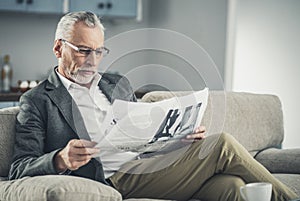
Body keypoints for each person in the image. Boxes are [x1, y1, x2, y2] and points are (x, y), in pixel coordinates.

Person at [8, 11, 297, 201]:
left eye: (99, 51)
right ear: (59, 48)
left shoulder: (115, 83)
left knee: (232, 188)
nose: (93, 60)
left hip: (150, 166)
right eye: (83, 50)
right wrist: (60, 159)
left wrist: (176, 139)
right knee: (221, 143)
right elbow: (19, 168)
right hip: (116, 178)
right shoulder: (37, 101)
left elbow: (140, 138)